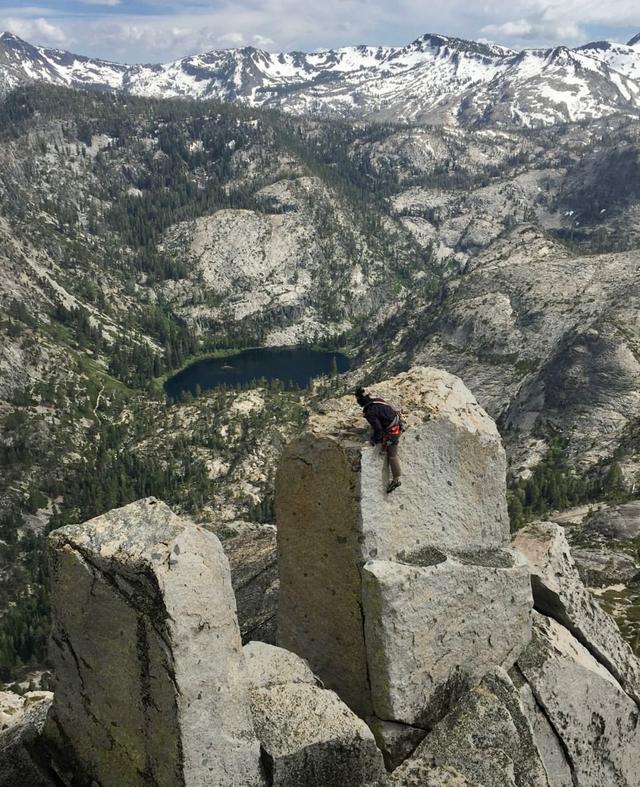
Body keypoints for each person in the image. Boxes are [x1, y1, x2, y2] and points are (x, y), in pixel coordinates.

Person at [355, 386, 402, 493]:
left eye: (357, 399)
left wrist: (374, 441)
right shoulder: (378, 401)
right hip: (397, 423)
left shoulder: (370, 412)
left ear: (360, 399)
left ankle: (396, 480)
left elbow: (378, 429)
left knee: (392, 455)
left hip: (392, 432)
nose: (357, 401)